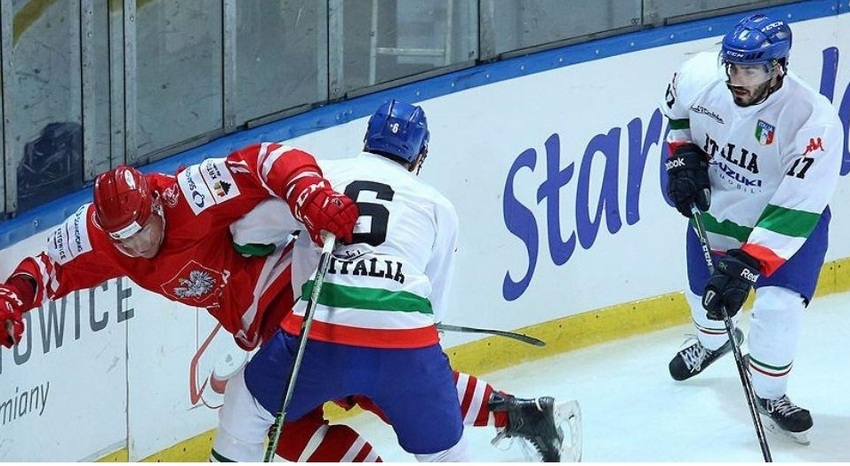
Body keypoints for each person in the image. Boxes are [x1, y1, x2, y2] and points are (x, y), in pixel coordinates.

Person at [0, 115, 573, 460]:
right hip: (277, 321)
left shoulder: (190, 193)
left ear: (154, 202)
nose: (134, 247)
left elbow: (272, 159)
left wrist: (309, 198)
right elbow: (47, 265)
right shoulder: (100, 233)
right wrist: (12, 297)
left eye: (142, 232)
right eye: (120, 240)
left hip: (295, 303)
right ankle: (521, 415)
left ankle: (512, 417)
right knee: (387, 384)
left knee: (289, 416)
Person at [210, 99, 575, 462]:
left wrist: (277, 244)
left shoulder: (322, 175)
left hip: (319, 334)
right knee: (447, 452)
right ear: (421, 155)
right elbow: (433, 314)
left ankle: (511, 412)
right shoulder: (437, 207)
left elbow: (246, 234)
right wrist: (420, 369)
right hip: (405, 340)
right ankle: (515, 413)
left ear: (367, 139)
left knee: (245, 406)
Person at [661, 13, 842, 445]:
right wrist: (682, 155)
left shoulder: (812, 121)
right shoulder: (699, 75)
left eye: (752, 69)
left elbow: (798, 206)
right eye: (733, 66)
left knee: (778, 311)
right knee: (707, 301)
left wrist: (748, 263)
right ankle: (712, 342)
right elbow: (677, 115)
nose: (738, 78)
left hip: (784, 226)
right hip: (720, 211)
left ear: (778, 67)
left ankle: (770, 394)